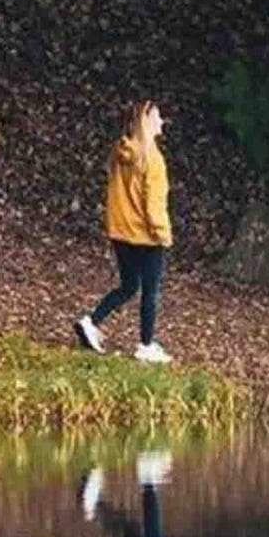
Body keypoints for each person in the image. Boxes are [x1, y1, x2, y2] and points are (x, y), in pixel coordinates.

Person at [75, 100, 174, 363]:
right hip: (147, 236)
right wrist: (162, 233)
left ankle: (91, 321)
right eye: (158, 117)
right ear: (147, 122)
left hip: (121, 232)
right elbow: (153, 203)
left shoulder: (120, 153)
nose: (162, 121)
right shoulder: (152, 159)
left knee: (129, 286)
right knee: (150, 291)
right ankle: (146, 344)